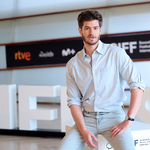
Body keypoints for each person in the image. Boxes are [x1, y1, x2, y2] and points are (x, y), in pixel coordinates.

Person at [57, 9, 145, 150]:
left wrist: (129, 119)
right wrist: (83, 129)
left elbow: (137, 85)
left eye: (95, 28)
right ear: (80, 31)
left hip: (113, 117)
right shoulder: (72, 64)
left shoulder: (117, 54)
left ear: (100, 30)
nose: (92, 33)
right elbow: (73, 101)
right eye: (87, 28)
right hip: (87, 120)